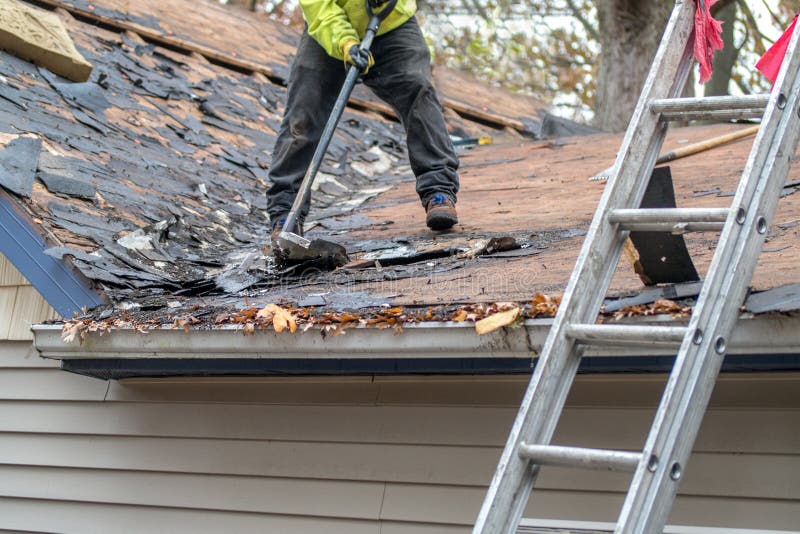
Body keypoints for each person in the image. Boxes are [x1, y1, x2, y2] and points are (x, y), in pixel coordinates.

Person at [267, 0, 460, 244]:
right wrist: (345, 42)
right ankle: (286, 214)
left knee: (417, 91)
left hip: (392, 23)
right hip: (328, 28)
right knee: (303, 116)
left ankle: (439, 191)